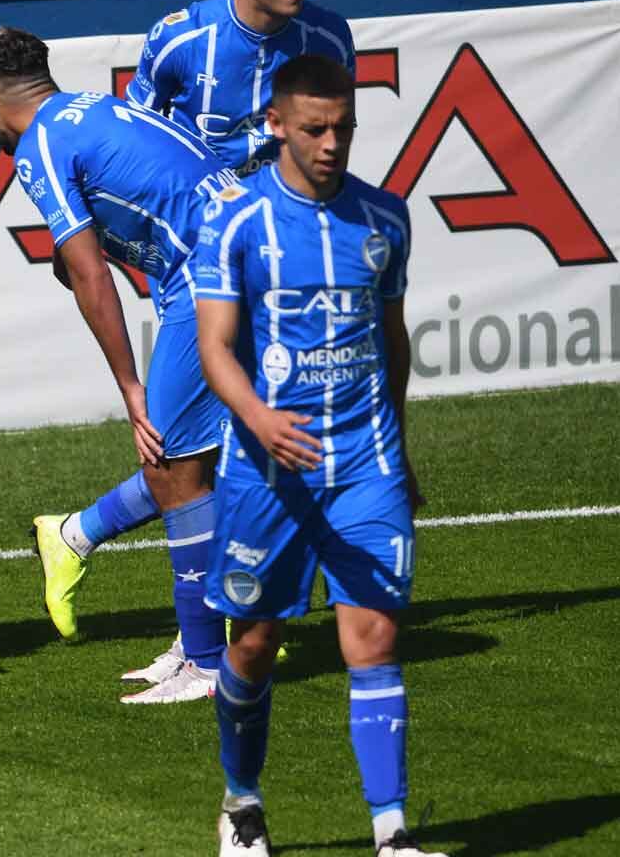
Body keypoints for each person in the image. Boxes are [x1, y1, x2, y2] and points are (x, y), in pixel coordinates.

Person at [46, 0, 356, 690]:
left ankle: (90, 541)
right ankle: (204, 633)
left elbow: (327, 151)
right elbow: (137, 154)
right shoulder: (180, 39)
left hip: (283, 263)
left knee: (243, 444)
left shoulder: (328, 36)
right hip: (203, 271)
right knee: (199, 450)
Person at [190, 55, 444, 857]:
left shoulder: (386, 218)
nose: (332, 143)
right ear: (276, 126)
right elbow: (214, 347)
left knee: (372, 635)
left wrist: (396, 446)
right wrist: (259, 419)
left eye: (343, 128)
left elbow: (391, 338)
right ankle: (241, 801)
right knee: (256, 643)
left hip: (363, 463)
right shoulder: (234, 219)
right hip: (267, 471)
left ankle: (392, 832)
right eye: (315, 129)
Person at [0, 26, 241, 704]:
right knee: (192, 461)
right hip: (249, 253)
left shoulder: (41, 145)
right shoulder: (99, 106)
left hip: (210, 280)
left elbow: (89, 272)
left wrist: (129, 387)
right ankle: (183, 629)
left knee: (176, 467)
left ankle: (207, 663)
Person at [127, 0, 354, 176]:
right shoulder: (179, 38)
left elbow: (335, 139)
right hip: (197, 210)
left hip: (283, 209)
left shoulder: (331, 37)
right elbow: (133, 139)